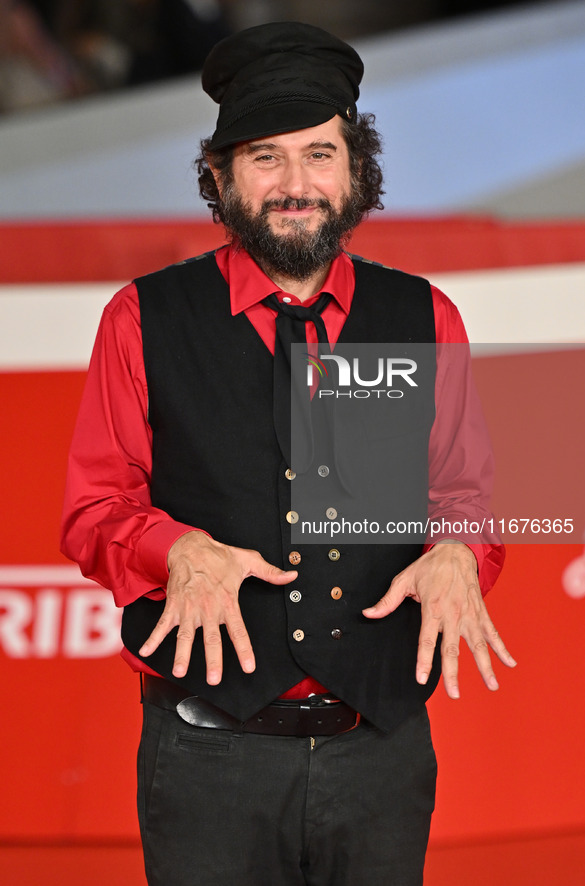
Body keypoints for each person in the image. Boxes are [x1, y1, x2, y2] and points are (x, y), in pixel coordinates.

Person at [60, 21, 516, 886]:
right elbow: (93, 510)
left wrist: (461, 551)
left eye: (319, 154)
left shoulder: (423, 317)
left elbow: (462, 493)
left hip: (378, 753)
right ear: (219, 177)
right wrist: (176, 548)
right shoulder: (142, 318)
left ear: (355, 173)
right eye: (265, 158)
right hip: (207, 758)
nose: (294, 184)